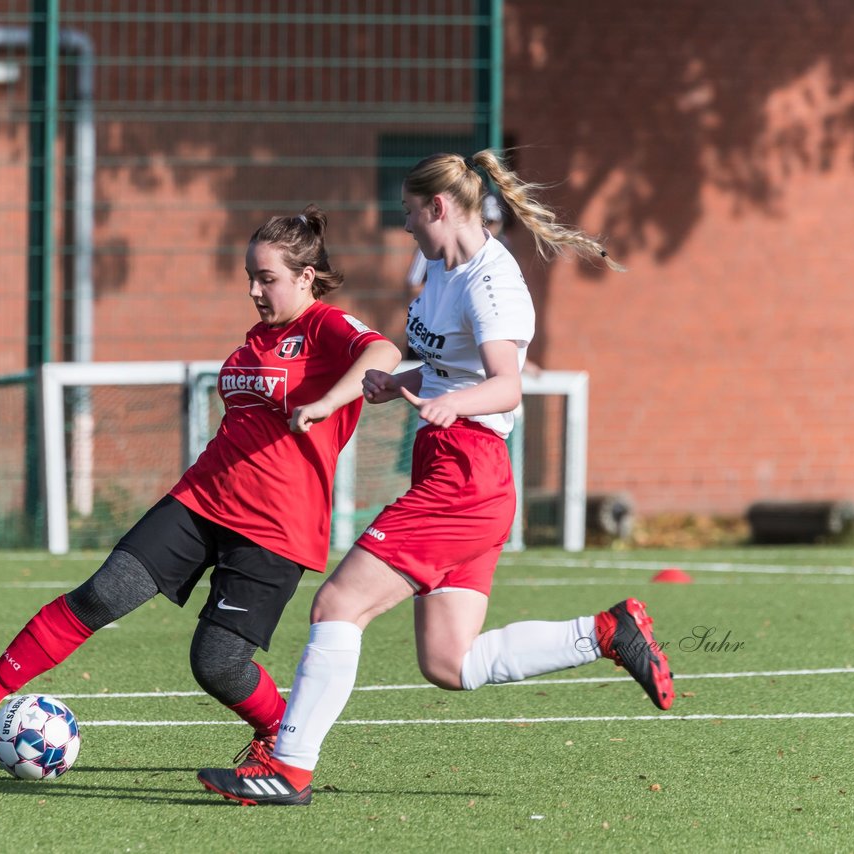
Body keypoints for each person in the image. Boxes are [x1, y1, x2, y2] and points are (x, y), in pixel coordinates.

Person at [196, 151, 670, 807]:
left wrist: (452, 406)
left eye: (410, 216)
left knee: (338, 605)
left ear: (439, 208)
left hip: (466, 475)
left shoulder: (491, 283)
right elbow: (454, 369)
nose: (407, 228)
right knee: (450, 663)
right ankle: (605, 634)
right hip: (461, 473)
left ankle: (290, 768)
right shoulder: (447, 273)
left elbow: (504, 386)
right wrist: (405, 383)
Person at [0, 205, 402, 769]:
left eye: (266, 278)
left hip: (276, 527)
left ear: (305, 277)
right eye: (249, 276)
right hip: (201, 500)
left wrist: (323, 404)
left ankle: (278, 730)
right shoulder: (255, 340)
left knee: (217, 663)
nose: (253, 289)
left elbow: (384, 353)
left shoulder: (323, 326)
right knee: (101, 593)